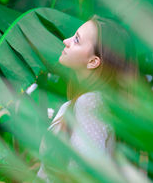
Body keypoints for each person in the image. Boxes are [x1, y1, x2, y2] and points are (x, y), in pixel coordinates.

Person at [37, 15, 137, 181]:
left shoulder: (91, 103)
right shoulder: (88, 101)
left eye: (77, 40)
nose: (65, 41)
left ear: (93, 61)